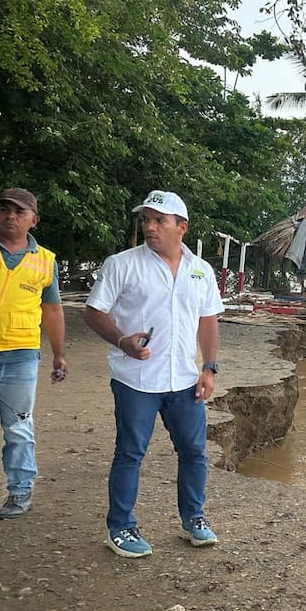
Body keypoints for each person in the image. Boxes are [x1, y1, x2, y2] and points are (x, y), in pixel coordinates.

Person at [85, 190, 224, 558]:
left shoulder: (201, 270)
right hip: (136, 380)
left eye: (159, 220)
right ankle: (121, 528)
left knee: (194, 452)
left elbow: (207, 320)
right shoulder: (122, 264)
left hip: (184, 380)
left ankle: (193, 519)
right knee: (130, 452)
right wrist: (122, 341)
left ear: (182, 227)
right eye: (146, 219)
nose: (149, 227)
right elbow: (94, 312)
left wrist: (208, 368)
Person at [0, 188, 67, 519]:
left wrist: (59, 354)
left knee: (18, 429)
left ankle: (20, 494)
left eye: (19, 212)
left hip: (20, 358)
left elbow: (52, 310)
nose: (10, 216)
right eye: (4, 209)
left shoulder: (45, 260)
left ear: (33, 220)